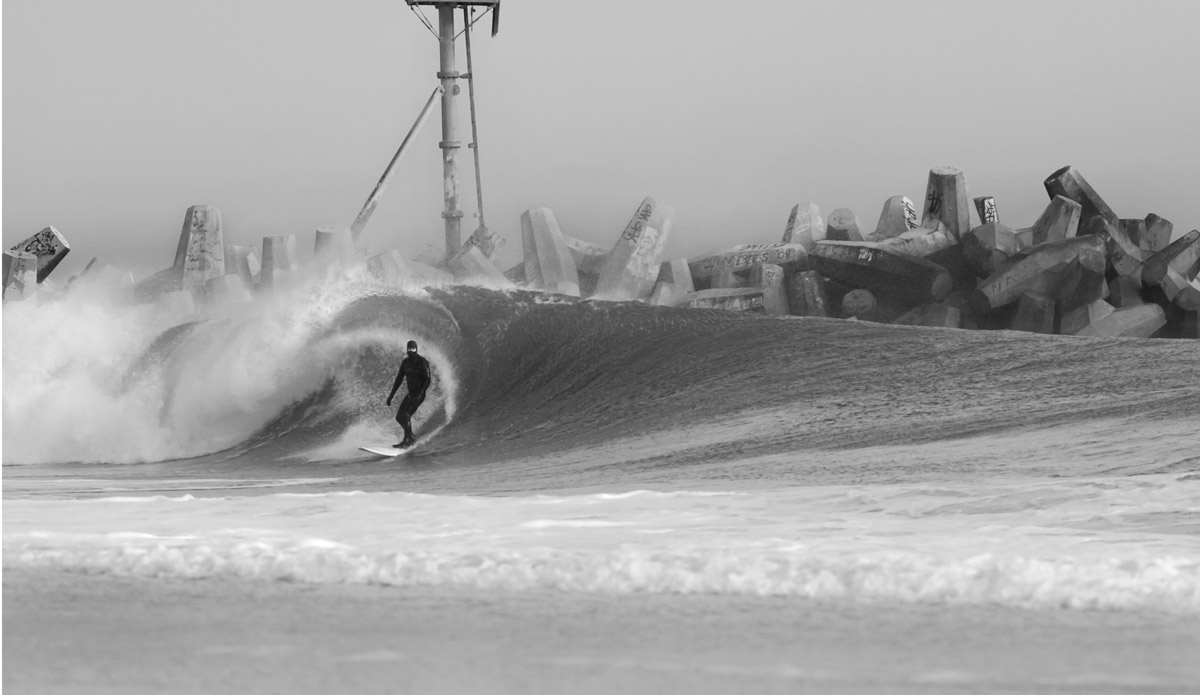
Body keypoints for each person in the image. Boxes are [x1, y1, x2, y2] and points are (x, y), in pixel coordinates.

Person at [386, 340, 431, 448]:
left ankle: (407, 441)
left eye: (413, 349)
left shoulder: (422, 361)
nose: (411, 351)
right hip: (411, 393)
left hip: (419, 394)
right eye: (410, 349)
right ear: (407, 349)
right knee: (399, 417)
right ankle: (410, 436)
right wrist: (391, 396)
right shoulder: (405, 363)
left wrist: (421, 391)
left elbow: (427, 378)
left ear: (416, 349)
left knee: (406, 415)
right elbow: (398, 380)